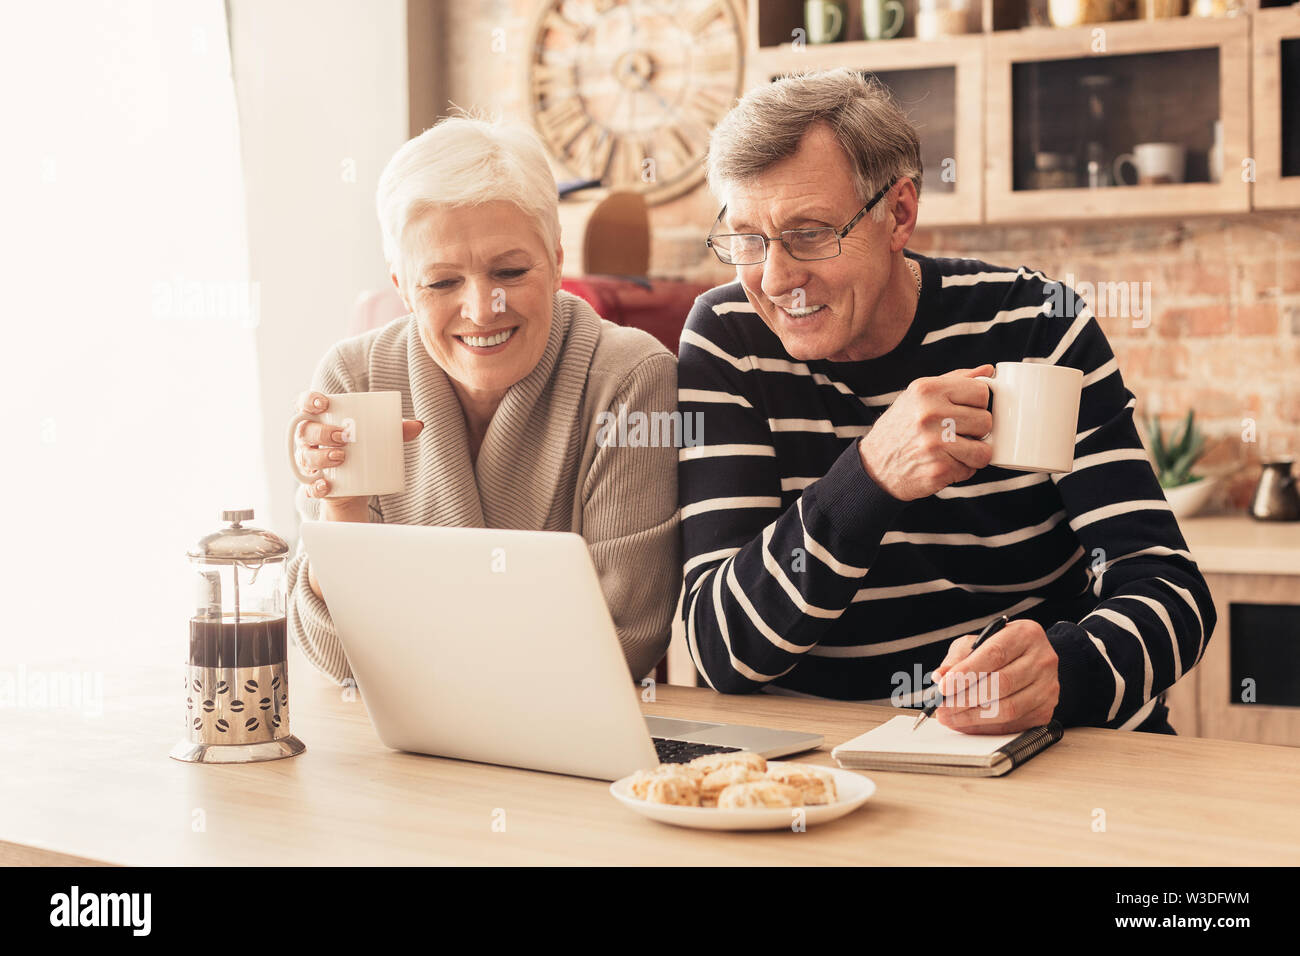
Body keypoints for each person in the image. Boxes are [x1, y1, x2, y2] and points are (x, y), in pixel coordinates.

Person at [675, 69, 1215, 734]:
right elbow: (720, 650)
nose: (777, 277)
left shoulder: (1036, 322)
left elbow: (1171, 591)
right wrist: (869, 476)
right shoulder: (729, 340)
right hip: (838, 772)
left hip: (1057, 750)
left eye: (810, 232)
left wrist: (1063, 672)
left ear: (898, 212)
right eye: (748, 240)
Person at [287, 115, 679, 684]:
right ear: (400, 286)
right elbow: (337, 660)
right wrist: (342, 515)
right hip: (403, 750)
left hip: (568, 751)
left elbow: (623, 639)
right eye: (442, 282)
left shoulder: (630, 380)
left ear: (556, 261)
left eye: (510, 270)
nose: (481, 308)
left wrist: (407, 644)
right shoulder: (355, 377)